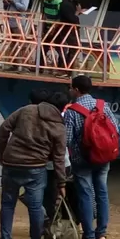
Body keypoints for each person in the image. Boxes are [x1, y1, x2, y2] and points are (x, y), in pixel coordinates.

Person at [0, 89, 67, 239]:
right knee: (35, 207)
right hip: (36, 168)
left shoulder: (26, 110)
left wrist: (2, 151)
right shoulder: (58, 127)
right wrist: (61, 183)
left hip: (11, 163)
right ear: (63, 108)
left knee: (7, 205)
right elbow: (59, 159)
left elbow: (4, 128)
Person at [64, 75, 117, 239]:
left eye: (71, 87)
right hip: (103, 157)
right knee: (102, 192)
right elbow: (115, 130)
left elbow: (68, 139)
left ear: (77, 90)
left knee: (85, 195)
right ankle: (101, 233)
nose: (69, 90)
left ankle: (89, 235)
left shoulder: (72, 111)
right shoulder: (103, 106)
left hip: (82, 160)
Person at [42, 93, 75, 223]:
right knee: (64, 195)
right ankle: (66, 222)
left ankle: (51, 222)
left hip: (48, 165)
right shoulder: (66, 117)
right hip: (65, 163)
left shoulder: (45, 120)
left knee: (49, 196)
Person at [0, 0, 32, 68]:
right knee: (12, 42)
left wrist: (12, 2)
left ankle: (23, 64)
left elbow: (24, 8)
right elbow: (7, 7)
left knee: (20, 43)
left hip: (18, 22)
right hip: (10, 21)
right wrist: (5, 3)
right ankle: (13, 63)